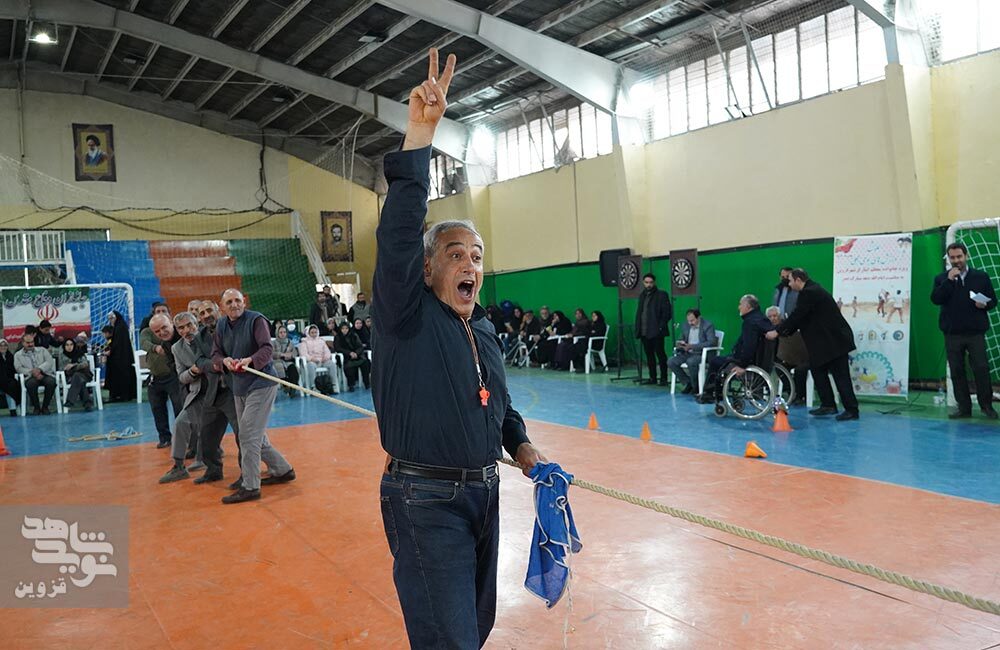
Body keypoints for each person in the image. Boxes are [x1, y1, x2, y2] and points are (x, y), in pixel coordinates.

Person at [373, 48, 545, 649]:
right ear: (426, 270)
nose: (469, 264)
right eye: (454, 255)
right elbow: (399, 233)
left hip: (485, 495)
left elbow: (497, 405)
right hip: (425, 500)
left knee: (474, 627)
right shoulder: (405, 315)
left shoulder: (485, 331)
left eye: (476, 256)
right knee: (450, 640)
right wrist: (421, 135)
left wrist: (522, 448)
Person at [213, 288, 296, 504]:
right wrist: (224, 361)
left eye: (237, 300)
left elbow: (266, 349)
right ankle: (282, 470)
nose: (234, 305)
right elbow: (216, 353)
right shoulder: (221, 325)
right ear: (222, 307)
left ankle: (250, 486)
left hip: (261, 383)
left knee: (248, 435)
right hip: (239, 386)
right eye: (229, 302)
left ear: (244, 301)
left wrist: (250, 360)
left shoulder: (257, 320)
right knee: (255, 435)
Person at [767, 268, 860, 421]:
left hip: (834, 342)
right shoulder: (811, 290)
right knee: (818, 370)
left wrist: (778, 331)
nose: (789, 284)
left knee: (841, 376)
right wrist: (785, 330)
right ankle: (828, 404)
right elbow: (802, 319)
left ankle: (852, 409)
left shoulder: (810, 292)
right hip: (824, 343)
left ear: (798, 280)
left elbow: (798, 315)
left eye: (790, 281)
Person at [931, 242, 999, 419]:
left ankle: (986, 406)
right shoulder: (941, 278)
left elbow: (993, 301)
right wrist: (949, 281)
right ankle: (964, 408)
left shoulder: (981, 277)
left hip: (975, 332)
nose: (956, 261)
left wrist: (985, 305)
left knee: (981, 368)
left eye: (959, 257)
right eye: (952, 258)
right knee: (957, 371)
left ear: (966, 256)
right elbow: (936, 299)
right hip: (952, 333)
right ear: (948, 259)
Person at [194, 300, 242, 488]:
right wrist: (213, 365)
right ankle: (213, 470)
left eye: (209, 310)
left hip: (235, 390)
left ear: (218, 310)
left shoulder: (232, 327)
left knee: (242, 435)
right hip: (214, 392)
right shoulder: (200, 336)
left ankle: (247, 475)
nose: (206, 315)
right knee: (206, 434)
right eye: (202, 313)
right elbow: (199, 360)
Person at [159, 312, 208, 484]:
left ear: (197, 324)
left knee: (245, 430)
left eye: (189, 325)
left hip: (223, 391)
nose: (186, 330)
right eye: (181, 328)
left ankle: (274, 465)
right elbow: (181, 377)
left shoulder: (210, 338)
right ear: (177, 330)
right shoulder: (176, 348)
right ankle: (179, 467)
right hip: (199, 393)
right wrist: (193, 371)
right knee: (180, 422)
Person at [697, 296, 772, 402]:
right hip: (762, 361)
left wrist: (742, 365)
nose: (739, 307)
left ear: (748, 306)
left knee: (715, 362)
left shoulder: (750, 323)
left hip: (747, 362)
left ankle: (710, 393)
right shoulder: (762, 319)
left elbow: (749, 346)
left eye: (740, 304)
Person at [140, 314, 184, 449]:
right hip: (155, 377)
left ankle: (184, 439)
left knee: (180, 408)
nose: (161, 332)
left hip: (174, 377)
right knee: (157, 408)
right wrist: (155, 348)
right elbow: (143, 343)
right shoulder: (148, 333)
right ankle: (165, 438)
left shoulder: (180, 336)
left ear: (171, 322)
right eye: (157, 331)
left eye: (164, 327)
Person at [667, 309, 718, 394]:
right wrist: (680, 343)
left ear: (699, 318)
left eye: (692, 320)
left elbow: (711, 342)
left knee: (691, 361)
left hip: (701, 353)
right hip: (687, 352)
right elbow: (682, 338)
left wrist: (692, 346)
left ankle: (696, 386)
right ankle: (688, 382)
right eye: (688, 321)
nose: (690, 323)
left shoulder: (708, 326)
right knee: (671, 361)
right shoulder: (686, 326)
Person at [766, 306, 808, 405]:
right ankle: (791, 391)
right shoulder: (769, 330)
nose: (773, 318)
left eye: (775, 316)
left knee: (800, 370)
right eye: (770, 317)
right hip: (785, 358)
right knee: (779, 368)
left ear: (780, 316)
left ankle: (800, 396)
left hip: (802, 357)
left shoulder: (789, 327)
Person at [635, 273, 672, 386]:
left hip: (657, 331)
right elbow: (640, 312)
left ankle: (664, 378)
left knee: (660, 354)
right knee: (649, 355)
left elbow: (667, 313)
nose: (649, 285)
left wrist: (660, 326)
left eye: (650, 282)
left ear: (654, 282)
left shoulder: (662, 295)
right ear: (643, 283)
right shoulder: (642, 295)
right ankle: (652, 377)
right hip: (644, 330)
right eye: (646, 282)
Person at [13, 333, 57, 414]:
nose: (30, 344)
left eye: (32, 342)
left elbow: (49, 361)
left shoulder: (42, 350)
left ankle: (45, 407)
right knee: (31, 384)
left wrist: (39, 369)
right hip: (30, 376)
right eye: (28, 343)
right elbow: (18, 368)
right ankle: (36, 407)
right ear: (23, 343)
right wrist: (32, 372)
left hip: (45, 374)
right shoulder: (18, 355)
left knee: (51, 382)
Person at [104, 310, 137, 402]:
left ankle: (122, 395)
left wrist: (111, 351)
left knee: (120, 374)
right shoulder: (119, 326)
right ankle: (121, 395)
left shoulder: (120, 327)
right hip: (120, 356)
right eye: (109, 319)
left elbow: (118, 343)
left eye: (112, 318)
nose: (111, 320)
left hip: (121, 358)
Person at [298, 325, 339, 393]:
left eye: (315, 332)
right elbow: (303, 354)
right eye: (312, 332)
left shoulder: (321, 341)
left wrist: (325, 358)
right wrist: (312, 359)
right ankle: (313, 387)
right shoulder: (304, 342)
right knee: (311, 366)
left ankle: (333, 385)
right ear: (308, 333)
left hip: (323, 360)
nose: (314, 334)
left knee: (332, 364)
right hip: (312, 361)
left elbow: (327, 351)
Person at [57, 339, 93, 411]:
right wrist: (69, 368)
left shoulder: (79, 353)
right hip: (70, 377)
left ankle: (70, 400)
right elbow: (61, 368)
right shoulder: (62, 356)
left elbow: (85, 364)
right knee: (79, 380)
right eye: (67, 345)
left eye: (71, 344)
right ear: (64, 346)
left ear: (74, 345)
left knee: (77, 376)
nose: (69, 347)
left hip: (84, 375)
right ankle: (87, 403)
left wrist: (73, 365)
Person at [334, 321, 371, 391]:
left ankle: (367, 383)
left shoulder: (354, 335)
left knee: (365, 363)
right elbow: (338, 348)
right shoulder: (337, 337)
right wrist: (349, 353)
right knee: (349, 367)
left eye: (346, 328)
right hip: (346, 357)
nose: (345, 330)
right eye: (343, 329)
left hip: (357, 356)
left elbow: (360, 346)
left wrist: (356, 353)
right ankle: (351, 385)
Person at [272, 324, 300, 396]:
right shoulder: (273, 342)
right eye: (281, 332)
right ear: (277, 333)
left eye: (284, 332)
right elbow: (271, 353)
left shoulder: (290, 342)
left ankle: (293, 387)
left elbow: (295, 352)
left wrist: (291, 355)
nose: (283, 334)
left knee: (292, 368)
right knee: (279, 367)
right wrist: (281, 354)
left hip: (288, 361)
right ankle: (286, 385)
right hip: (277, 361)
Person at [0, 340, 22, 416]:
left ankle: (13, 409)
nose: (3, 347)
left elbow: (13, 369)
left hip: (9, 379)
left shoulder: (10, 356)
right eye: (1, 345)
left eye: (5, 345)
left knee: (13, 384)